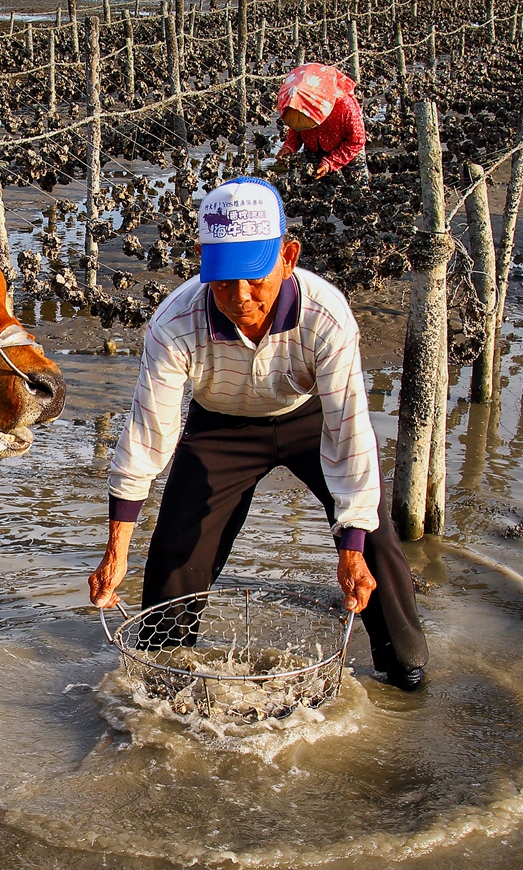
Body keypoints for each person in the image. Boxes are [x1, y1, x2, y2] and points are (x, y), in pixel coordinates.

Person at [87, 178, 428, 691]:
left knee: (372, 538)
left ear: (288, 257)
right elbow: (146, 438)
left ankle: (403, 666)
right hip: (219, 425)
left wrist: (349, 546)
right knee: (177, 550)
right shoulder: (174, 323)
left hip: (306, 417)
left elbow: (351, 433)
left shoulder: (326, 316)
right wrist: (117, 549)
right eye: (223, 282)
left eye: (254, 279)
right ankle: (163, 674)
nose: (240, 298)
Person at [275, 62, 367, 180]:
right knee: (312, 187)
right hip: (314, 147)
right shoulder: (297, 105)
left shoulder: (345, 108)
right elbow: (296, 129)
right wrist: (289, 147)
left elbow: (356, 142)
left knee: (357, 186)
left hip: (347, 150)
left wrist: (330, 163)